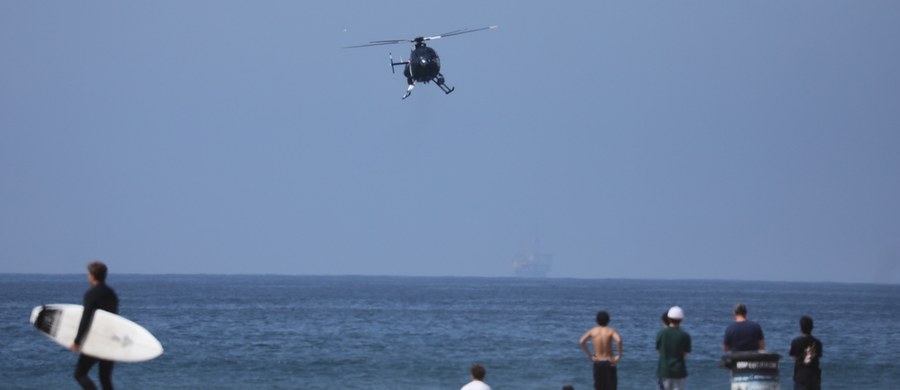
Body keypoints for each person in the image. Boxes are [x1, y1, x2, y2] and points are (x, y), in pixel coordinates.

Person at [70, 261, 119, 390]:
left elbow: (86, 318)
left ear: (92, 276)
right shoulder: (112, 294)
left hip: (97, 341)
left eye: (88, 274)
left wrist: (77, 341)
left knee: (80, 374)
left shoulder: (91, 294)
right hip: (110, 340)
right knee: (105, 377)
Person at [579, 311, 623, 390]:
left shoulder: (593, 331)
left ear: (597, 320)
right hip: (609, 362)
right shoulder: (611, 331)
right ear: (608, 320)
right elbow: (619, 341)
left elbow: (581, 341)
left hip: (598, 362)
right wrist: (619, 355)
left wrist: (590, 356)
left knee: (598, 387)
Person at [656, 306, 691, 390]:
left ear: (668, 319)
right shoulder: (685, 335)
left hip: (664, 371)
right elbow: (685, 354)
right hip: (679, 371)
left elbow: (659, 350)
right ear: (681, 319)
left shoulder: (661, 333)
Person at [789, 316, 822, 390]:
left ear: (800, 328)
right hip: (814, 377)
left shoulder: (796, 342)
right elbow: (818, 358)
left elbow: (794, 359)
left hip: (801, 377)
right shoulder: (818, 343)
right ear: (812, 328)